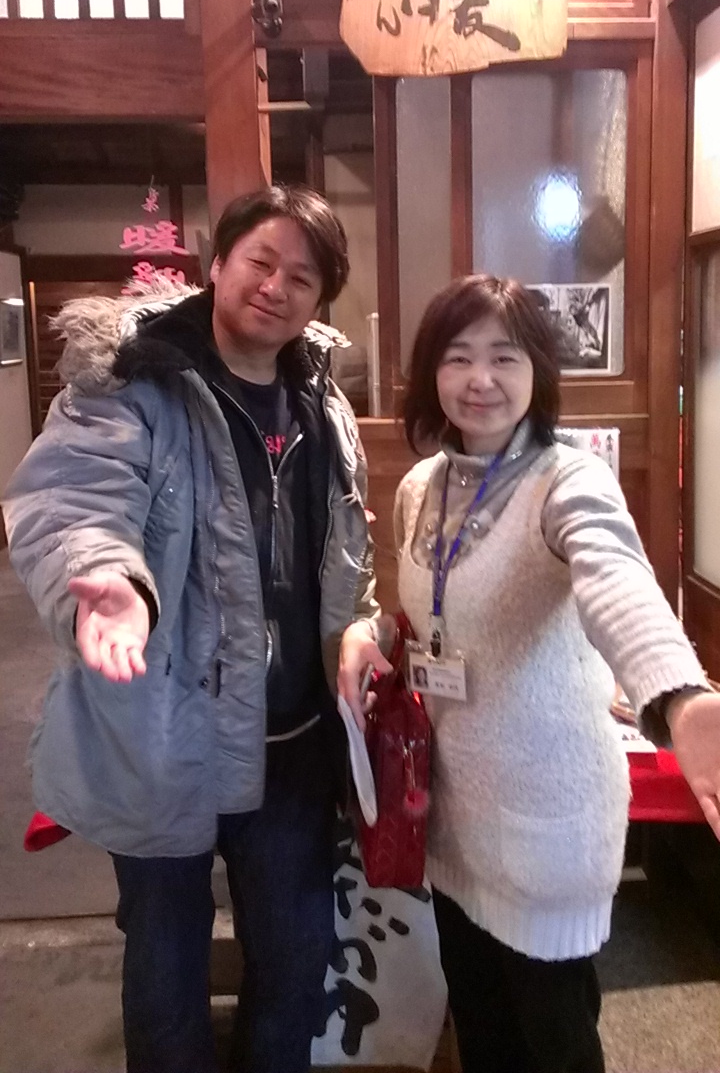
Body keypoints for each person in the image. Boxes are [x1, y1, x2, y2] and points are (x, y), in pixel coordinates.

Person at [4, 185, 379, 1073]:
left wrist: (358, 627)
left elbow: (343, 551)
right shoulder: (133, 381)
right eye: (261, 262)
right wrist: (112, 582)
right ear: (218, 265)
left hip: (291, 740)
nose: (276, 287)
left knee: (297, 959)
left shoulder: (322, 400)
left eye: (302, 277)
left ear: (319, 299)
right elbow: (74, 500)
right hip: (164, 727)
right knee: (165, 965)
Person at [339, 273, 720, 1073]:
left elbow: (620, 585)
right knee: (482, 1028)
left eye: (504, 357)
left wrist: (681, 699)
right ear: (431, 372)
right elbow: (433, 615)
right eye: (458, 356)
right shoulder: (421, 487)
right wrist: (372, 632)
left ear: (538, 372)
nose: (480, 379)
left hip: (550, 820)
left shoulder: (568, 480)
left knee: (555, 1042)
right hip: (453, 816)